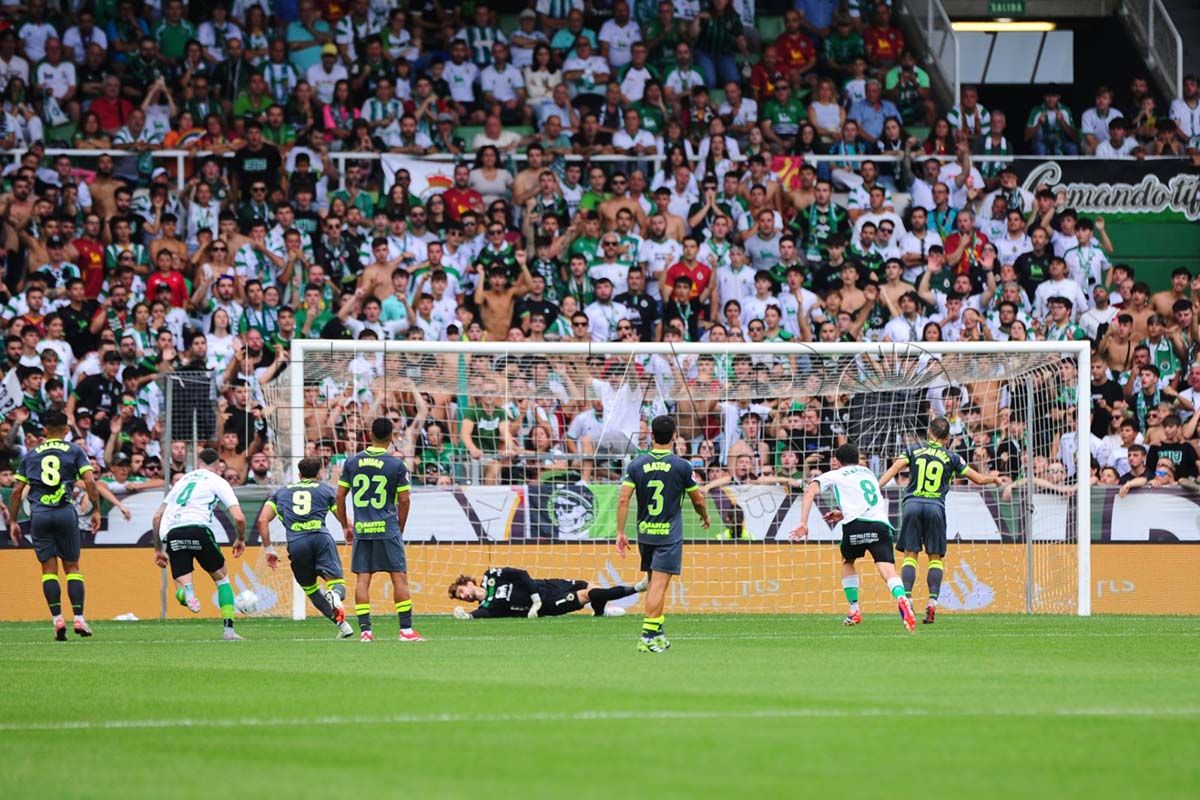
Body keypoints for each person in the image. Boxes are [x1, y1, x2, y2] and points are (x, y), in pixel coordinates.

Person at [878, 416, 1000, 624]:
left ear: (929, 432)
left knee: (910, 555)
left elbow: (894, 469)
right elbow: (979, 479)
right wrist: (994, 478)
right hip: (935, 507)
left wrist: (876, 488)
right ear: (947, 438)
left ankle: (907, 598)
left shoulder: (913, 449)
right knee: (935, 558)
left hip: (912, 505)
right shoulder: (952, 457)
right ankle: (932, 602)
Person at [788, 442, 912, 630]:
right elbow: (864, 500)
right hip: (880, 525)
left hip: (855, 525)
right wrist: (842, 512)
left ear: (838, 461)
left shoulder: (835, 474)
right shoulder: (868, 473)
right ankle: (902, 597)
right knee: (887, 569)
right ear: (857, 459)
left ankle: (854, 609)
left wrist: (803, 523)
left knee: (847, 561)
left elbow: (809, 492)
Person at [615, 414, 711, 653]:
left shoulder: (636, 465)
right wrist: (704, 515)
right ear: (675, 436)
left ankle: (657, 634)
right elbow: (698, 499)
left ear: (651, 436)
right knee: (658, 584)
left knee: (655, 583)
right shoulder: (682, 466)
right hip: (668, 535)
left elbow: (624, 499)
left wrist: (620, 531)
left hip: (645, 533)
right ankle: (647, 637)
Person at [8, 410, 100, 640]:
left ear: (45, 430)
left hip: (39, 515)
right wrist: (96, 509)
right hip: (64, 512)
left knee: (48, 571)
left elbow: (17, 491)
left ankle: (57, 619)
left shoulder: (31, 455)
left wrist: (13, 520)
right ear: (67, 430)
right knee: (72, 568)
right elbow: (90, 482)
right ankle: (78, 618)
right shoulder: (75, 450)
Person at [334, 416, 423, 642]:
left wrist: (345, 525)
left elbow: (340, 496)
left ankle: (366, 632)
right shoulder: (396, 465)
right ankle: (406, 631)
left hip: (363, 529)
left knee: (363, 579)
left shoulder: (352, 462)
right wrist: (399, 527)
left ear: (370, 435)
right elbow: (405, 500)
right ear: (392, 437)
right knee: (399, 577)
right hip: (388, 528)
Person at [150, 447, 248, 640]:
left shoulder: (182, 481)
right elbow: (239, 518)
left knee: (181, 585)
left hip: (173, 533)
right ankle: (229, 631)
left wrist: (158, 550)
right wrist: (241, 538)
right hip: (198, 529)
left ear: (198, 464)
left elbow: (156, 517)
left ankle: (186, 592)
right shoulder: (218, 481)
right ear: (218, 467)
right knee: (222, 580)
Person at [258, 456, 354, 638]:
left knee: (311, 589)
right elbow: (341, 515)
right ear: (319, 474)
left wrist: (269, 549)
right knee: (337, 584)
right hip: (320, 538)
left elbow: (263, 520)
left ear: (299, 474)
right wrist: (347, 528)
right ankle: (335, 595)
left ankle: (343, 626)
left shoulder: (281, 493)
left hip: (297, 543)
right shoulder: (325, 489)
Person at [449, 567, 644, 619]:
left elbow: (521, 574)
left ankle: (601, 613)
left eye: (461, 591)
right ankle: (637, 587)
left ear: (468, 583)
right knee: (587, 595)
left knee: (591, 587)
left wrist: (535, 598)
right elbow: (480, 615)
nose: (463, 596)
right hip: (549, 604)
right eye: (460, 597)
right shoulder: (487, 606)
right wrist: (466, 616)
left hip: (547, 585)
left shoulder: (491, 576)